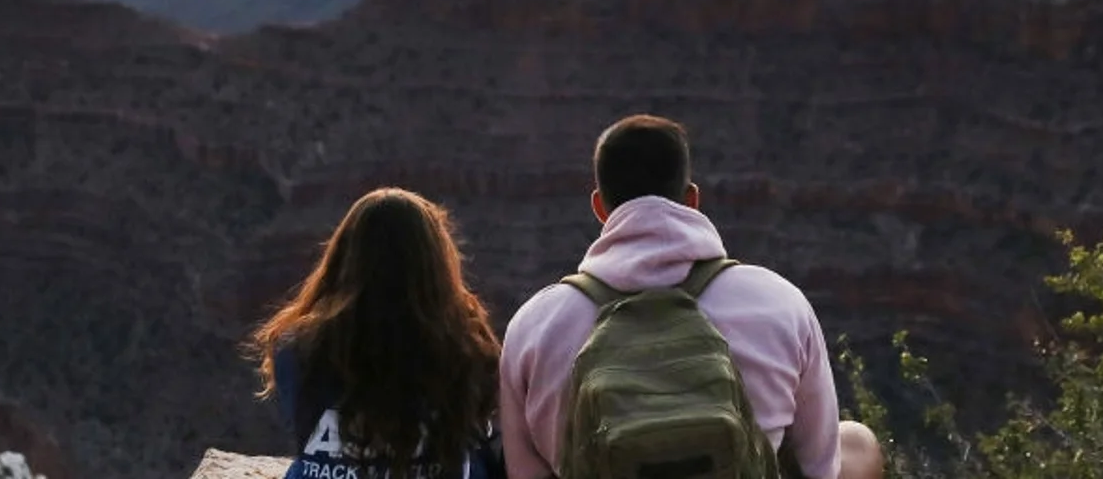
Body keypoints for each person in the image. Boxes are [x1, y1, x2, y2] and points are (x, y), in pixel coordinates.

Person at [498, 114, 885, 479]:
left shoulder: (535, 326)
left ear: (600, 206)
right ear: (691, 199)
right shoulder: (779, 303)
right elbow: (820, 465)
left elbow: (523, 472)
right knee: (857, 441)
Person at [249, 188, 504, 479]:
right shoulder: (467, 347)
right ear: (436, 264)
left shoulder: (297, 349)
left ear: (344, 257)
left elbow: (303, 425)